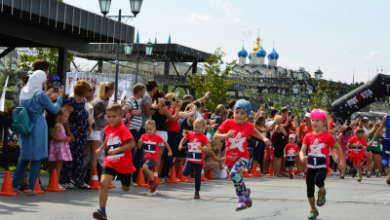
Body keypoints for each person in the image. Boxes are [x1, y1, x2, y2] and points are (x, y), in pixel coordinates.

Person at [12, 60, 64, 195]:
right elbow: (54, 109)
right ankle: (30, 188)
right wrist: (60, 98)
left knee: (24, 157)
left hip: (26, 126)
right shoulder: (40, 94)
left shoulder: (24, 91)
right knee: (36, 158)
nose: (45, 82)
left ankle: (13, 185)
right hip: (38, 127)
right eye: (44, 80)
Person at [212, 99, 270, 211]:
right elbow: (215, 137)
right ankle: (246, 193)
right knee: (236, 178)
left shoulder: (248, 125)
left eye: (242, 113)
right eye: (236, 112)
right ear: (233, 112)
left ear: (247, 115)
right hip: (230, 159)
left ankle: (241, 200)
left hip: (243, 156)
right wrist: (226, 135)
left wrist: (264, 138)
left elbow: (254, 131)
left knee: (234, 174)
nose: (239, 115)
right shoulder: (228, 123)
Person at [299, 109, 345, 220]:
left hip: (322, 166)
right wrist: (302, 157)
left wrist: (342, 161)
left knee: (318, 181)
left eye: (317, 121)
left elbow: (338, 147)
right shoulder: (308, 136)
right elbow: (302, 150)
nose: (314, 123)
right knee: (309, 190)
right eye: (313, 120)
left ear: (324, 123)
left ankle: (322, 191)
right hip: (310, 166)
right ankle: (313, 209)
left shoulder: (328, 136)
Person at [93, 103, 136, 220]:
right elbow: (108, 138)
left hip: (124, 165)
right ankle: (102, 211)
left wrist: (117, 149)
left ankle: (126, 179)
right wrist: (101, 148)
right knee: (103, 183)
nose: (111, 119)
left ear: (121, 117)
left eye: (114, 116)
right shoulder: (107, 128)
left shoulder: (123, 129)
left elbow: (132, 144)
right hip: (111, 162)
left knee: (125, 188)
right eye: (108, 116)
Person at [60, 80, 93, 189]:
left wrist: (89, 124)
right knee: (69, 157)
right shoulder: (70, 101)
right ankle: (64, 180)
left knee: (80, 156)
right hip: (73, 132)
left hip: (81, 133)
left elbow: (84, 113)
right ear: (82, 90)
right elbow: (66, 118)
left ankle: (79, 180)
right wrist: (69, 134)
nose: (89, 92)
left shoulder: (82, 100)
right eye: (88, 90)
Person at [160, 93, 196, 179]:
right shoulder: (168, 109)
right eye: (175, 100)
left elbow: (182, 113)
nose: (176, 101)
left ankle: (164, 173)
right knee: (169, 154)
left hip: (172, 132)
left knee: (167, 154)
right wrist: (192, 112)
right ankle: (164, 174)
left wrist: (191, 111)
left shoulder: (169, 109)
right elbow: (182, 115)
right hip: (172, 132)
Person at [85, 82, 113, 184]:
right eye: (112, 90)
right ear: (109, 90)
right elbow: (113, 114)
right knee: (94, 156)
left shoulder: (96, 100)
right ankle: (91, 179)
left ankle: (81, 176)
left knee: (87, 154)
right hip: (96, 130)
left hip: (90, 129)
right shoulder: (102, 103)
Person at [179, 118, 210, 199]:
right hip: (190, 158)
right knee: (185, 172)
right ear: (193, 126)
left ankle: (197, 192)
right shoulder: (190, 134)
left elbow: (209, 148)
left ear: (203, 128)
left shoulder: (204, 137)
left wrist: (203, 148)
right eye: (195, 127)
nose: (196, 129)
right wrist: (180, 145)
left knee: (198, 177)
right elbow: (184, 138)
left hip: (199, 160)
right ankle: (191, 171)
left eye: (199, 128)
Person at [138, 120, 172, 193]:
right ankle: (153, 185)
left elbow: (165, 142)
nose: (148, 131)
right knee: (148, 171)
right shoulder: (143, 136)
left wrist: (169, 151)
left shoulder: (157, 137)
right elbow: (139, 147)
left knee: (144, 167)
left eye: (150, 129)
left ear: (154, 129)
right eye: (147, 129)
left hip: (152, 158)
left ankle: (153, 181)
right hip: (146, 158)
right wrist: (139, 143)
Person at [122, 84, 145, 184]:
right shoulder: (131, 100)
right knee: (130, 154)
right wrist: (136, 112)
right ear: (139, 91)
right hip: (131, 129)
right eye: (143, 91)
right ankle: (127, 177)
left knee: (131, 153)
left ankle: (129, 177)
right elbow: (124, 110)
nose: (144, 93)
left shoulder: (135, 101)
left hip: (134, 129)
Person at [49, 108, 72, 189]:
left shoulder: (61, 125)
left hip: (60, 147)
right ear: (59, 116)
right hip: (59, 148)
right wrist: (64, 139)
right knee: (58, 166)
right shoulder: (58, 126)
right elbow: (54, 137)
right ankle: (56, 182)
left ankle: (56, 181)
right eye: (64, 116)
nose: (66, 118)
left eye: (67, 117)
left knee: (59, 166)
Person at [367, 114, 390, 184]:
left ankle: (389, 176)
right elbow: (380, 129)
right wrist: (372, 139)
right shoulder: (386, 117)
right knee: (386, 158)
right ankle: (389, 175)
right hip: (387, 140)